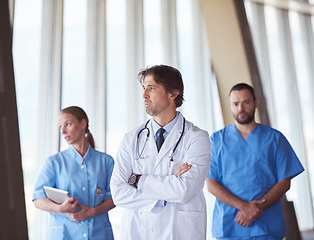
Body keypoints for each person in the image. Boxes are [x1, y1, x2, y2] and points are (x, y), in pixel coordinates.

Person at [110, 65, 211, 239]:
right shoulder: (131, 139)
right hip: (139, 232)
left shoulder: (197, 138)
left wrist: (138, 180)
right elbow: (118, 192)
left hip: (180, 233)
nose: (144, 95)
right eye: (144, 88)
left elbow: (184, 189)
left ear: (173, 93)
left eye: (152, 88)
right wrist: (165, 192)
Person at [207, 83, 304, 240]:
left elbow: (284, 182)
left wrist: (256, 209)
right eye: (236, 104)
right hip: (229, 227)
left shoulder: (274, 139)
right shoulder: (216, 141)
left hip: (266, 226)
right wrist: (245, 207)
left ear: (255, 103)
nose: (241, 108)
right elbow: (211, 183)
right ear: (230, 105)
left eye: (246, 102)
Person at [33, 106, 115, 240]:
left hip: (99, 234)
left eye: (68, 124)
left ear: (83, 123)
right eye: (60, 127)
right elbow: (38, 199)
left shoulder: (106, 162)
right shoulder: (54, 162)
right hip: (65, 235)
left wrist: (92, 212)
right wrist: (61, 209)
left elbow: (116, 197)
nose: (63, 131)